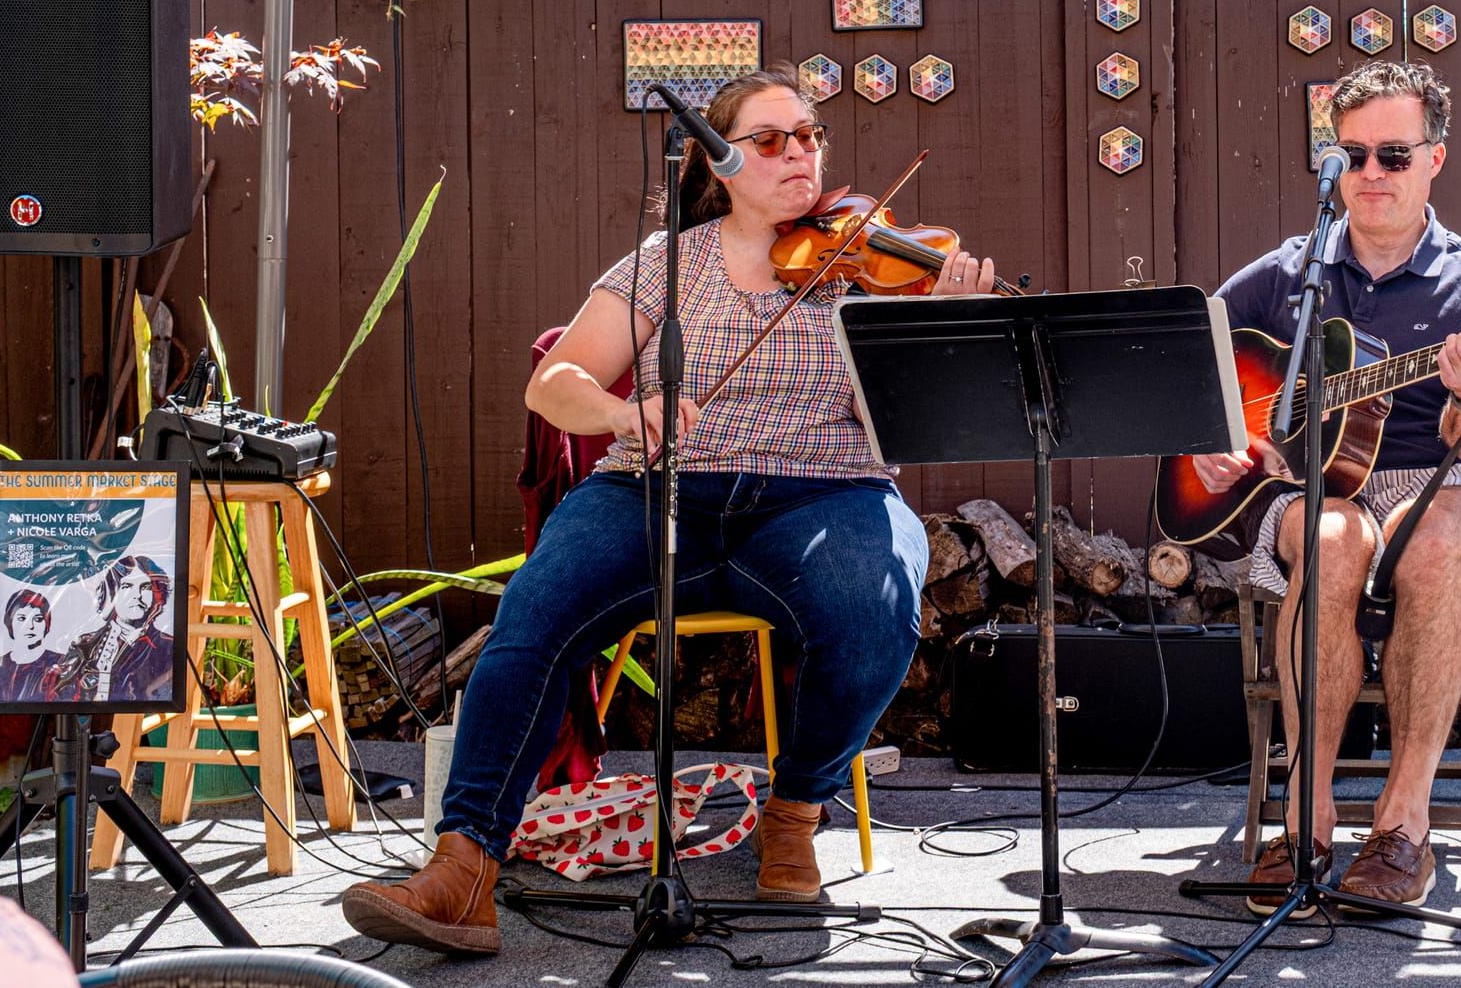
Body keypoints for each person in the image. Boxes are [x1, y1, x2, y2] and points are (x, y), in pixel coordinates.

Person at [344, 63, 998, 956]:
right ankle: (463, 867)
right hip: (656, 487)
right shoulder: (667, 262)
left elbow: (903, 425)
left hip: (826, 489)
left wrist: (941, 327)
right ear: (721, 161)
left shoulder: (866, 270)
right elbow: (555, 381)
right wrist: (625, 413)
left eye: (809, 135)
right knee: (535, 615)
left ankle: (794, 813)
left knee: (875, 604)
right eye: (771, 139)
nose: (800, 152)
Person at [1200, 60, 1461, 913]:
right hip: (1313, 482)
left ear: (1434, 159)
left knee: (1428, 544)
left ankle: (1402, 822)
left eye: (1393, 153)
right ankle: (1305, 817)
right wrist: (1212, 439)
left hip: (1444, 475)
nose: (1371, 172)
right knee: (1334, 538)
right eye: (1352, 155)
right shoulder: (1288, 274)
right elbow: (1193, 357)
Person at [47, 556, 174, 705]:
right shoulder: (84, 644)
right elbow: (60, 694)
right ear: (113, 594)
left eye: (145, 587)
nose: (137, 595)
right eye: (127, 586)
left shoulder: (167, 647)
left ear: (156, 594)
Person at [0, 589, 58, 705]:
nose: (30, 626)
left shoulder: (59, 662)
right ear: (10, 623)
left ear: (46, 625)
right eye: (22, 619)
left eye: (38, 619)